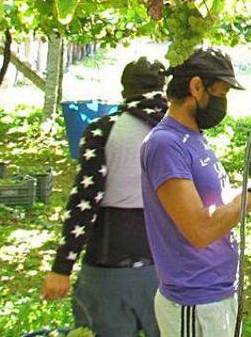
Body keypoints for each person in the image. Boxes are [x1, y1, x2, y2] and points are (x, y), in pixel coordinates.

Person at [140, 48, 251, 337]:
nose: (222, 103)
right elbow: (200, 229)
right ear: (196, 87)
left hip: (217, 292)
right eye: (222, 93)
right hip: (194, 300)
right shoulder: (165, 145)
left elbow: (213, 202)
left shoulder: (193, 137)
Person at [41, 57, 169, 336]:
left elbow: (85, 201)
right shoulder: (180, 131)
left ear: (124, 91)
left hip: (110, 269)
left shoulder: (104, 130)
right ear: (164, 87)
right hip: (167, 269)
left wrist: (62, 267)